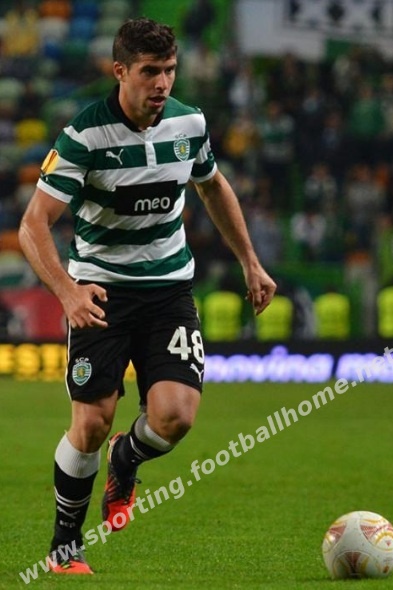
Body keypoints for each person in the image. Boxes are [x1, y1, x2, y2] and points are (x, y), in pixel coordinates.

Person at [18, 17, 276, 575]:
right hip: (100, 293)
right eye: (150, 72)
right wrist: (66, 291)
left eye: (170, 70)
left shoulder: (189, 123)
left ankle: (126, 457)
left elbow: (212, 185)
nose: (162, 83)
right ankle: (65, 547)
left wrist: (250, 261)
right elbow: (33, 223)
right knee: (91, 422)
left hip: (168, 290)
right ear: (120, 72)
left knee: (176, 416)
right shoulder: (84, 136)